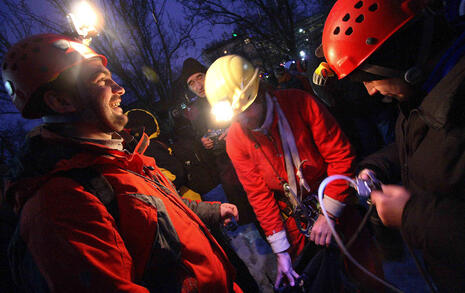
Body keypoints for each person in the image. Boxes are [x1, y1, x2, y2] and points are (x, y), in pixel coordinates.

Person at [1, 33, 243, 292]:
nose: (120, 88)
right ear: (61, 102)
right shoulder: (60, 204)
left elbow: (159, 211)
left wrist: (211, 211)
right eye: (102, 81)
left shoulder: (119, 156)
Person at [205, 54, 383, 290]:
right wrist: (281, 251)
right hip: (296, 221)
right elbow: (259, 195)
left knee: (366, 271)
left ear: (258, 93)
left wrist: (329, 212)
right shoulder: (236, 140)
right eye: (235, 115)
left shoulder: (299, 103)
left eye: (246, 111)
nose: (242, 120)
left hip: (335, 200)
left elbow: (340, 155)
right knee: (322, 283)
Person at [322, 0, 465, 291]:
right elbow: (421, 145)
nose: (370, 90)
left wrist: (410, 215)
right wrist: (376, 167)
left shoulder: (457, 107)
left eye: (371, 78)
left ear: (400, 58)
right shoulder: (421, 94)